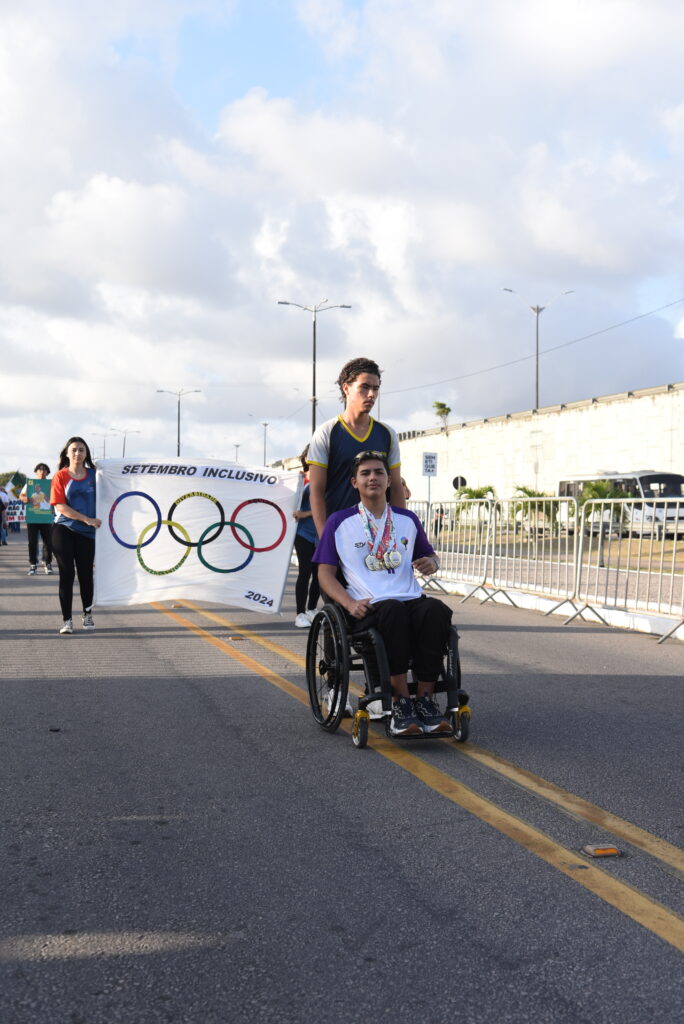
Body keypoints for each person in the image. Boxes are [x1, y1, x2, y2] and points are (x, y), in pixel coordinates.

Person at [314, 451, 453, 737]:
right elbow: (325, 575)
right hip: (370, 608)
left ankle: (425, 700)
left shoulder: (407, 519)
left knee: (437, 610)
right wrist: (349, 603)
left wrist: (432, 563)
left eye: (379, 472)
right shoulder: (339, 522)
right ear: (354, 482)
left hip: (410, 599)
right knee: (392, 611)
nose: (373, 478)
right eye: (365, 473)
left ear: (390, 480)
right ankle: (401, 702)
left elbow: (431, 557)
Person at [308, 357, 404, 540]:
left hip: (378, 539)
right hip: (339, 535)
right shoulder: (326, 433)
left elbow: (397, 488)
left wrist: (399, 536)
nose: (371, 394)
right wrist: (326, 539)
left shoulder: (387, 434)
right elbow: (316, 492)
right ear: (346, 388)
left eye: (375, 389)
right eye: (364, 387)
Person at [50, 437, 101, 635]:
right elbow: (61, 507)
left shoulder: (96, 476)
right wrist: (86, 519)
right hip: (64, 529)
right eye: (74, 450)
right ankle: (67, 620)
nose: (77, 453)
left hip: (87, 534)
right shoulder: (60, 476)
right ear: (67, 453)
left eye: (81, 450)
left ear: (86, 453)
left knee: (86, 574)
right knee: (67, 574)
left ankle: (87, 614)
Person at [292, 446, 321, 628]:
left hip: (321, 534)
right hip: (303, 533)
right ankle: (300, 613)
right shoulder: (300, 478)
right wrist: (304, 515)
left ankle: (311, 609)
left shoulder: (327, 476)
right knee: (305, 571)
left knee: (320, 574)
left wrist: (307, 513)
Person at [20, 463, 54, 575]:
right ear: (36, 472)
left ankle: (47, 563)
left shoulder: (50, 484)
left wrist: (52, 505)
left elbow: (50, 499)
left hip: (46, 518)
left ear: (47, 472)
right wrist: (26, 499)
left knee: (48, 542)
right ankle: (33, 565)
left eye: (44, 469)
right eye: (39, 469)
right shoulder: (30, 485)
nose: (42, 471)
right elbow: (21, 496)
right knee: (32, 542)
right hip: (33, 518)